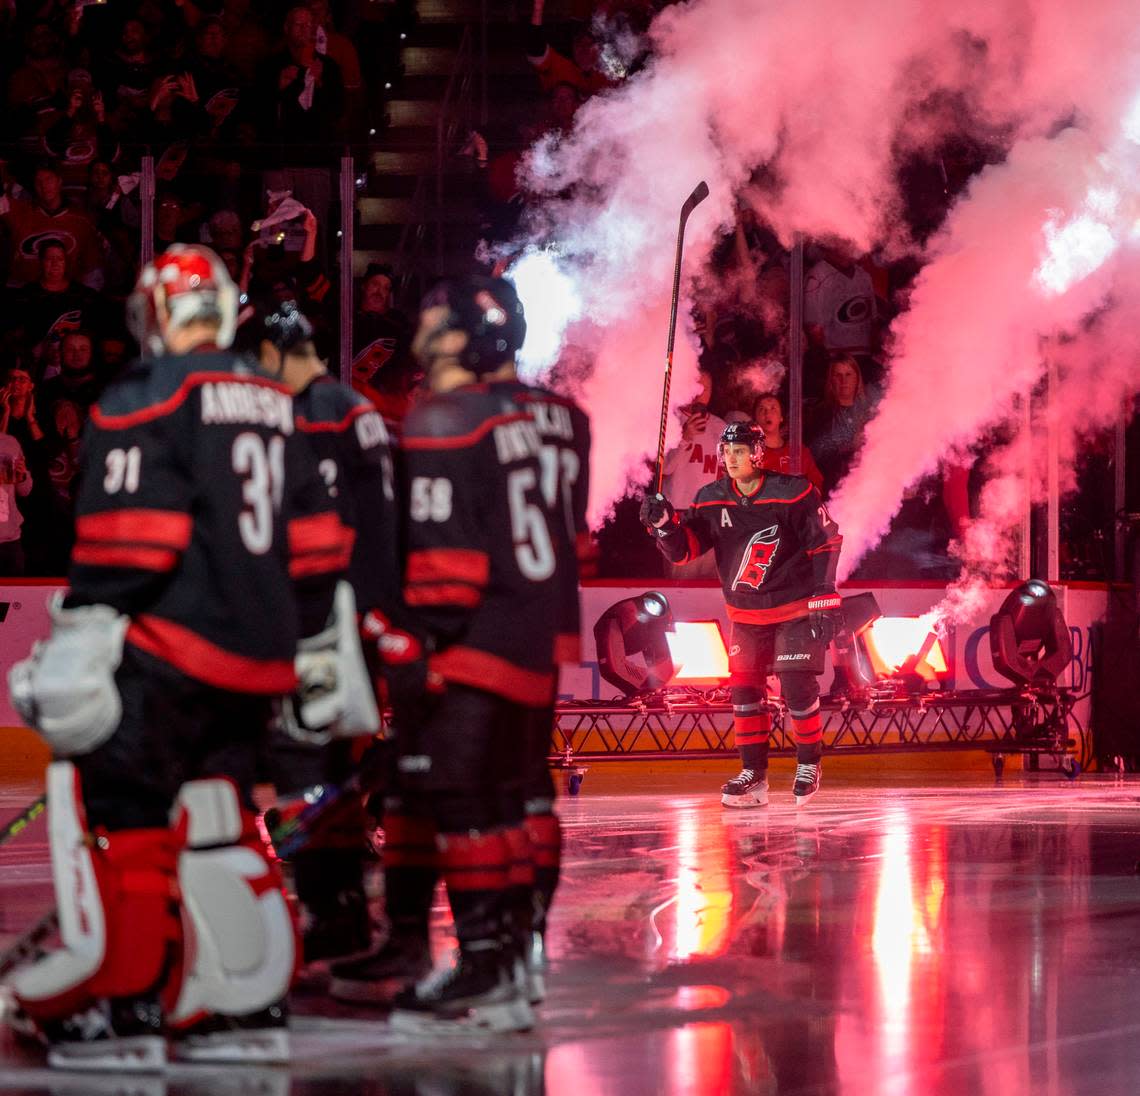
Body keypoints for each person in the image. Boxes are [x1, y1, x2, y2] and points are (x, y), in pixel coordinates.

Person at [5, 245, 352, 1069]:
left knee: (124, 812)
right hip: (258, 662)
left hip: (174, 650)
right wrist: (290, 642)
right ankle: (246, 1005)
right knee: (221, 814)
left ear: (160, 313)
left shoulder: (147, 396)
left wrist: (81, 635)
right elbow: (319, 545)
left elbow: (131, 550)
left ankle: (130, 1013)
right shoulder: (275, 399)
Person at [332, 278, 560, 1034]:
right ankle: (509, 952)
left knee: (457, 800)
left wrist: (405, 640)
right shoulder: (548, 419)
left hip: (467, 642)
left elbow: (446, 561)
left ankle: (485, 959)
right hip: (529, 635)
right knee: (510, 799)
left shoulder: (447, 420)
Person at [250, 299, 401, 964]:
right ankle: (333, 900)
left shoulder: (335, 412)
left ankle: (331, 904)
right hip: (317, 612)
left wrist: (372, 611)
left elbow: (378, 516)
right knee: (319, 761)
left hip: (329, 614)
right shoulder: (335, 410)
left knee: (315, 760)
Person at [639, 421, 843, 808]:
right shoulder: (710, 497)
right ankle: (754, 773)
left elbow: (826, 541)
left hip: (795, 606)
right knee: (744, 692)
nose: (731, 459)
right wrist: (665, 527)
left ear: (757, 454)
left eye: (739, 451)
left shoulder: (793, 491)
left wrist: (824, 593)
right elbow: (685, 551)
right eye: (726, 452)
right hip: (746, 613)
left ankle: (808, 763)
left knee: (796, 683)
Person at [660, 368, 724, 578]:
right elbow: (664, 468)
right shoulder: (669, 421)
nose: (700, 391)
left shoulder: (720, 427)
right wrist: (685, 437)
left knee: (713, 585)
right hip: (679, 515)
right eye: (697, 384)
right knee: (681, 585)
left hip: (711, 516)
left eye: (706, 387)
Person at [805, 354, 879, 494]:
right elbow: (814, 453)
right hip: (835, 487)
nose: (843, 380)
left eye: (848, 374)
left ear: (857, 378)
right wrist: (849, 445)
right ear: (831, 380)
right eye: (838, 375)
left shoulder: (870, 410)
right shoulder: (819, 413)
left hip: (870, 484)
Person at [753, 393, 824, 492]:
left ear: (781, 417)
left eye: (773, 408)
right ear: (755, 419)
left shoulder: (799, 451)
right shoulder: (749, 454)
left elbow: (817, 483)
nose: (767, 414)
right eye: (762, 409)